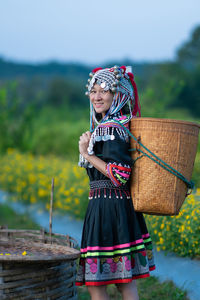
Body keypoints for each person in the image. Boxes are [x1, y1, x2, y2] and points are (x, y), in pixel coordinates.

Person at [76, 66, 155, 300]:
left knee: (97, 284)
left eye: (104, 91)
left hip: (108, 209)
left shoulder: (110, 128)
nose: (97, 97)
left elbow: (120, 174)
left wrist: (88, 154)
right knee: (123, 282)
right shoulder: (111, 126)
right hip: (114, 207)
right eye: (93, 91)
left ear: (117, 95)